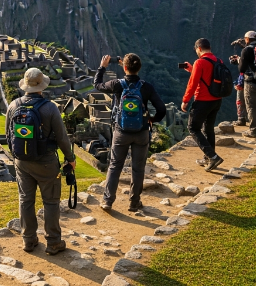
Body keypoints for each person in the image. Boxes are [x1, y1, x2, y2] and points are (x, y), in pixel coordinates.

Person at [5, 68, 75, 255]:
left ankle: (28, 240)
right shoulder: (49, 108)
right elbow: (62, 138)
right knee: (50, 202)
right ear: (41, 86)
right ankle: (53, 242)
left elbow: (8, 136)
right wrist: (71, 159)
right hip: (46, 162)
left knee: (25, 200)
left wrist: (18, 157)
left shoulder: (13, 106)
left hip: (22, 163)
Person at [94, 54, 166, 212]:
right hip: (141, 132)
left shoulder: (116, 84)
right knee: (138, 168)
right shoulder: (146, 87)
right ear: (139, 68)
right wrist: (152, 120)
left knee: (114, 166)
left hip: (121, 132)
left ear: (124, 68)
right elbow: (162, 109)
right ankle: (134, 202)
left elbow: (98, 85)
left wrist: (102, 67)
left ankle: (107, 201)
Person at [182, 38, 225, 170]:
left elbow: (193, 83)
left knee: (193, 128)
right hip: (216, 100)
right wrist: (191, 69)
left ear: (199, 48)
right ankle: (208, 158)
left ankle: (212, 157)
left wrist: (185, 100)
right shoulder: (219, 61)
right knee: (208, 129)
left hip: (203, 101)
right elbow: (208, 76)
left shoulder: (199, 62)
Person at [229, 31, 256, 138]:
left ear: (247, 39)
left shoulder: (246, 50)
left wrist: (238, 60)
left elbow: (241, 68)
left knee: (252, 107)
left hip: (252, 82)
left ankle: (254, 131)